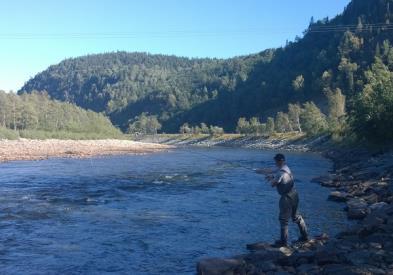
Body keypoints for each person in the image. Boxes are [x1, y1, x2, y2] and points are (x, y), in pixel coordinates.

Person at [257, 153, 308, 247]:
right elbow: (281, 178)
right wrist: (272, 177)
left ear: (280, 161)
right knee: (296, 217)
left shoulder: (280, 172)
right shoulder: (286, 168)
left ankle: (283, 242)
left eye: (276, 161)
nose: (275, 162)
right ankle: (305, 237)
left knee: (283, 219)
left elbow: (274, 184)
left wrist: (271, 179)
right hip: (295, 194)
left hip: (286, 198)